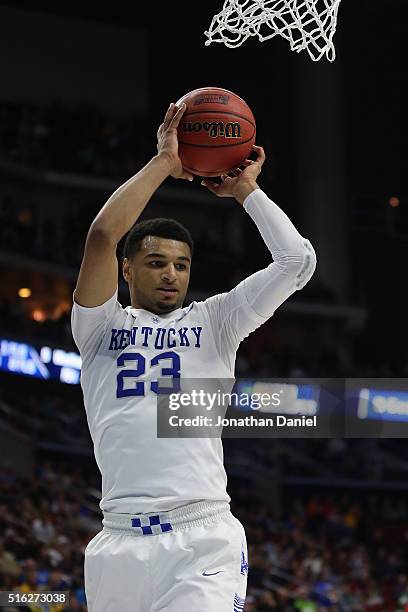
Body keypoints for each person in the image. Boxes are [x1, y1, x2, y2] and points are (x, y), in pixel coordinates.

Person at [71, 101, 316, 612]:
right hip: (116, 543)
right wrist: (165, 162)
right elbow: (101, 237)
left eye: (181, 265)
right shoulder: (99, 328)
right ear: (126, 272)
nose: (170, 274)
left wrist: (247, 192)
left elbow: (297, 261)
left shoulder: (216, 321)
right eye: (156, 262)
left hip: (199, 535)